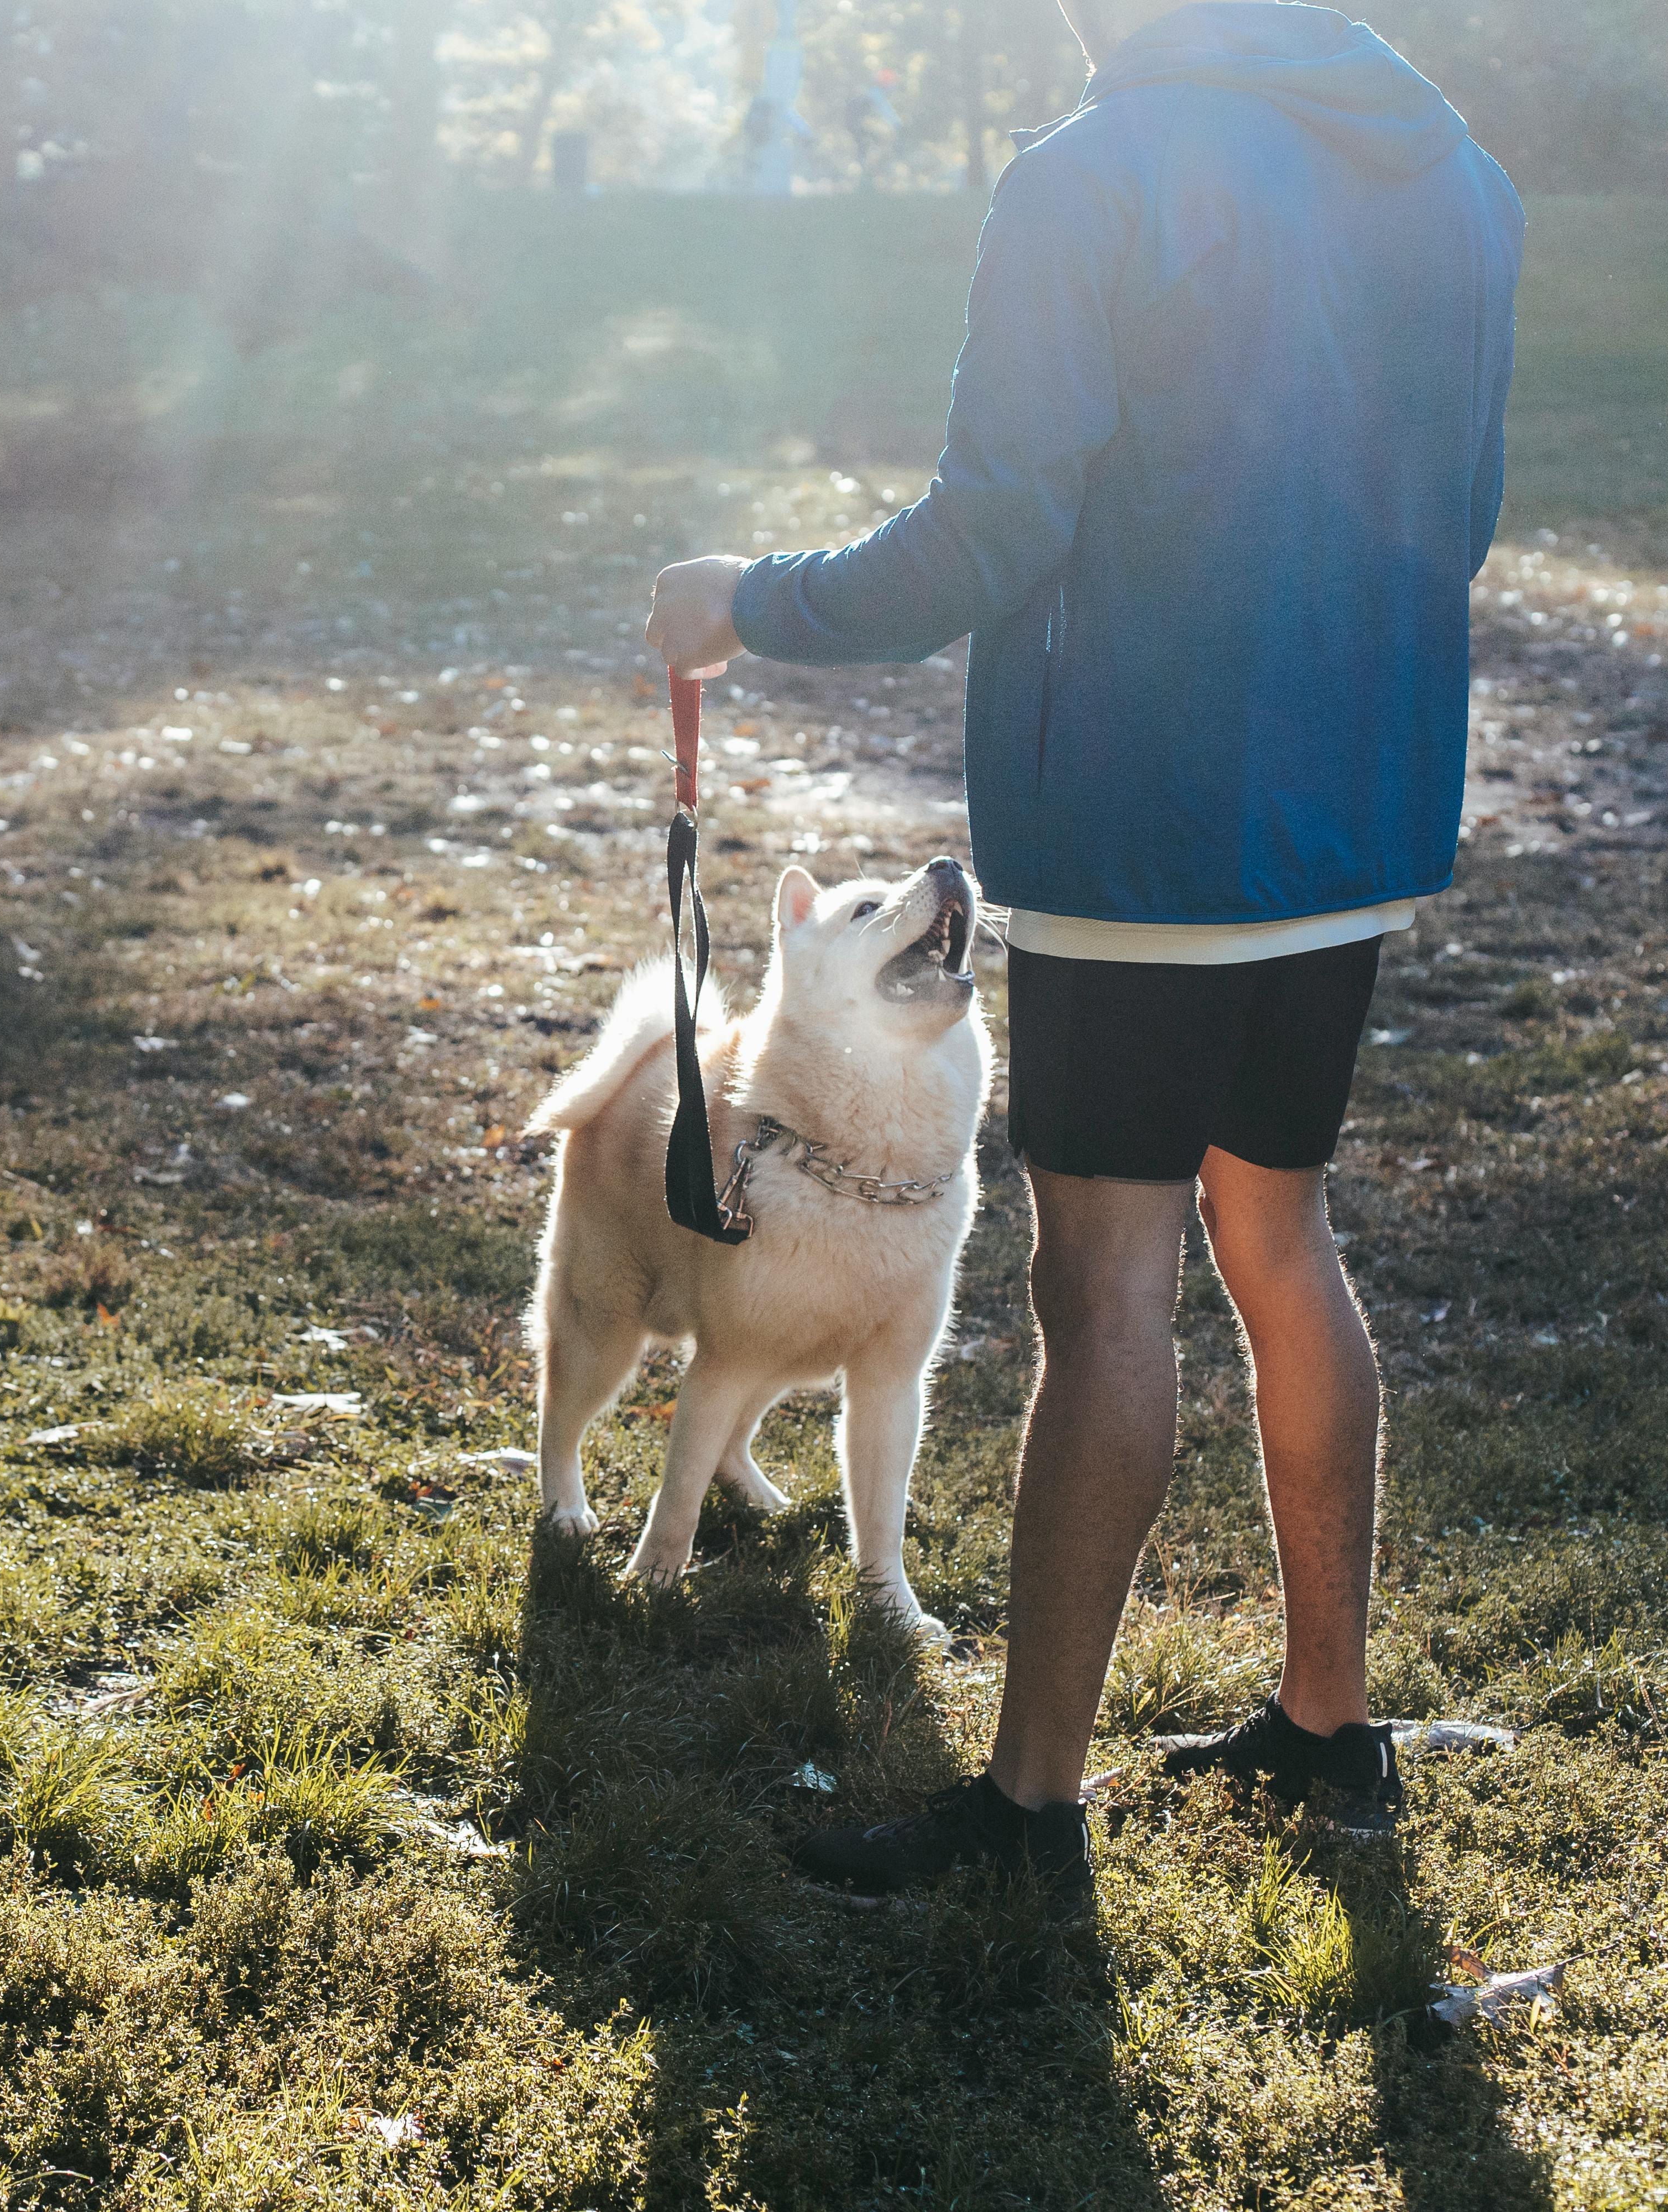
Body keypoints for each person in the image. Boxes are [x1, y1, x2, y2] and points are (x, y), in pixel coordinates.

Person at [643, 0, 1523, 1899]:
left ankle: (1031, 1811)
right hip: (1349, 821)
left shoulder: (1089, 178)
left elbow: (987, 534)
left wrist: (744, 602)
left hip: (1151, 826)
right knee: (1278, 1234)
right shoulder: (1460, 181)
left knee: (1106, 1289)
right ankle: (1324, 1725)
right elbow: (1460, 519)